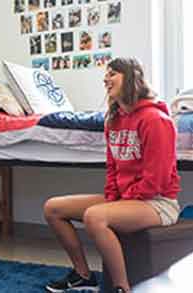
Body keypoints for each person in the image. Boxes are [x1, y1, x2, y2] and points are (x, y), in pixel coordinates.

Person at [43, 57, 181, 293]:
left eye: (113, 73)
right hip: (128, 197)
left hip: (157, 202)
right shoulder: (114, 119)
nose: (106, 78)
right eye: (106, 74)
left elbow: (156, 179)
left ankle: (121, 288)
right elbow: (113, 167)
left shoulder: (155, 120)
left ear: (131, 78)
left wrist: (124, 199)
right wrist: (113, 195)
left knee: (95, 217)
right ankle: (83, 275)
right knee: (53, 208)